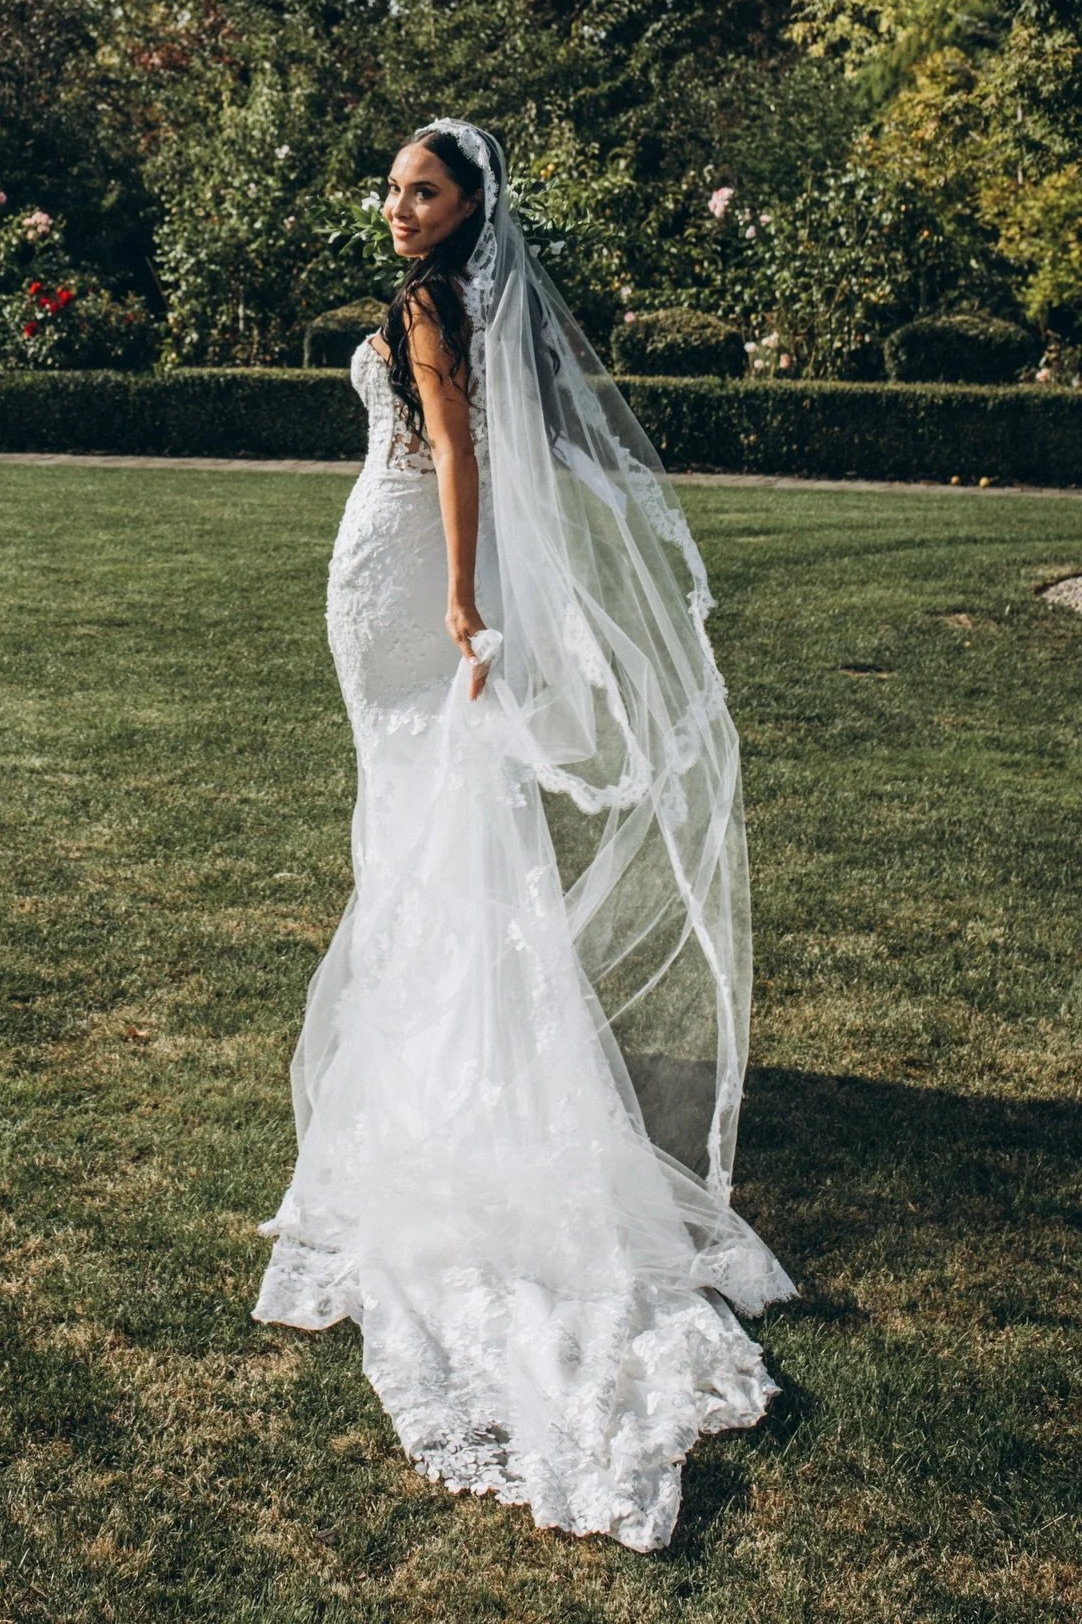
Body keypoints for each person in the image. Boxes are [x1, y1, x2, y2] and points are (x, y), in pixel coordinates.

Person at [253, 118, 795, 1551]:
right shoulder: (458, 300)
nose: (398, 208)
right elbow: (477, 449)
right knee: (432, 802)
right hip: (403, 560)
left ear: (470, 203)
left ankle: (446, 1055)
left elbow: (452, 460)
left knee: (421, 803)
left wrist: (457, 603)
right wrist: (471, 585)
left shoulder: (432, 307)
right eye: (388, 187)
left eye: (422, 189)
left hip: (398, 568)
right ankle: (463, 1025)